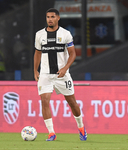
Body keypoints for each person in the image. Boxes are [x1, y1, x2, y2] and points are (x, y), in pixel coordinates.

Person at [33, 8, 87, 141]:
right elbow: (38, 53)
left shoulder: (66, 34)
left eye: (52, 17)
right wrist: (35, 70)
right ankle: (51, 133)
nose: (49, 19)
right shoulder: (39, 35)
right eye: (47, 17)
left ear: (58, 18)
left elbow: (73, 53)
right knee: (44, 101)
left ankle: (81, 127)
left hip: (62, 75)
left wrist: (65, 68)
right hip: (45, 74)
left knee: (72, 102)